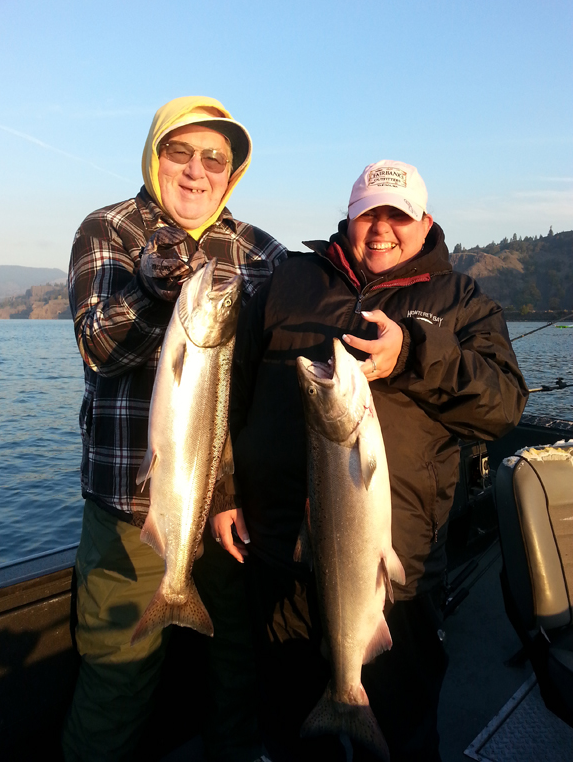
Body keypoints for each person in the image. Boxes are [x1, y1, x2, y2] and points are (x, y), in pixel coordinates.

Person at [211, 160, 528, 761]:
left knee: (406, 737)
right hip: (282, 557)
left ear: (425, 222)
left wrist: (414, 352)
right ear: (349, 216)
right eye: (369, 214)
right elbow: (231, 393)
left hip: (395, 577)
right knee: (291, 735)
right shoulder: (289, 279)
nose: (381, 228)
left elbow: (504, 405)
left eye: (397, 215)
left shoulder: (461, 299)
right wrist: (223, 491)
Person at [64, 96, 287, 762]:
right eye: (178, 152)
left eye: (214, 158)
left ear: (232, 171)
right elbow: (99, 349)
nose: (196, 171)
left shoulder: (262, 251)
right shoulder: (107, 229)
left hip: (231, 511)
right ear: (153, 154)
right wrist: (152, 289)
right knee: (116, 679)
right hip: (131, 510)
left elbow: (275, 377)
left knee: (237, 671)